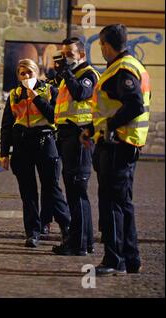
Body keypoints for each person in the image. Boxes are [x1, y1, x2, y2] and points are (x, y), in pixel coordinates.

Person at [90, 24, 150, 275]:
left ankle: (114, 260)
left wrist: (110, 126)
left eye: (101, 45)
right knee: (122, 203)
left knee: (113, 204)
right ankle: (130, 258)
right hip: (124, 143)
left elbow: (134, 104)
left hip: (117, 144)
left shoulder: (121, 69)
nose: (101, 50)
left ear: (106, 45)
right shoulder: (133, 66)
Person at [0, 58, 70, 248]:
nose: (26, 76)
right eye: (22, 74)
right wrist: (4, 152)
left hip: (45, 141)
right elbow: (7, 125)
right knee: (28, 192)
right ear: (18, 76)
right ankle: (32, 232)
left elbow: (53, 115)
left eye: (29, 72)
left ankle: (67, 228)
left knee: (51, 188)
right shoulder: (14, 95)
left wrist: (35, 97)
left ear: (36, 73)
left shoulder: (48, 90)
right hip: (22, 144)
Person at [51, 37, 100, 256]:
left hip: (80, 137)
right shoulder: (67, 77)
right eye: (63, 53)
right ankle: (84, 241)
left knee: (77, 191)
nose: (66, 57)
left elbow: (82, 93)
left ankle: (78, 244)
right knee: (74, 192)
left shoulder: (88, 74)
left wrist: (67, 74)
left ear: (82, 54)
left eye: (70, 53)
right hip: (67, 136)